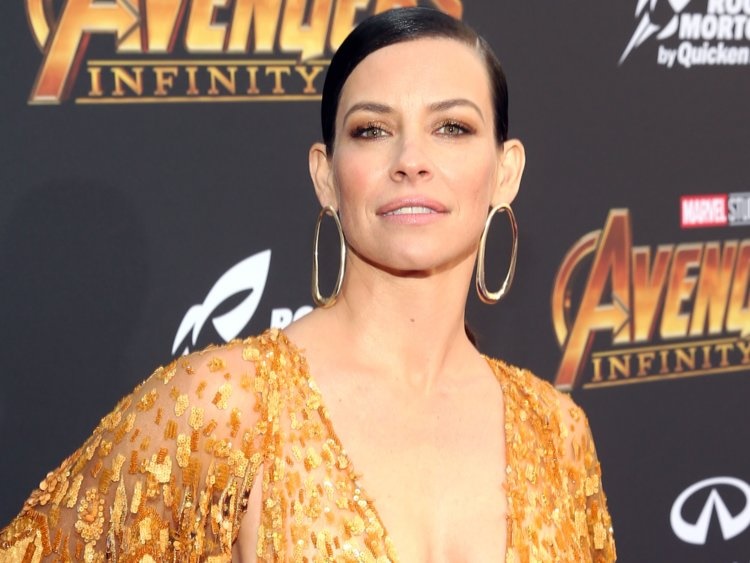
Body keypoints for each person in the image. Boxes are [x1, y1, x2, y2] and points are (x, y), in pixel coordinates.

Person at [0, 7, 616, 562]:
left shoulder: (557, 431)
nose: (411, 160)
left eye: (452, 127)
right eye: (372, 130)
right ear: (326, 177)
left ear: (506, 172)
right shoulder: (223, 410)